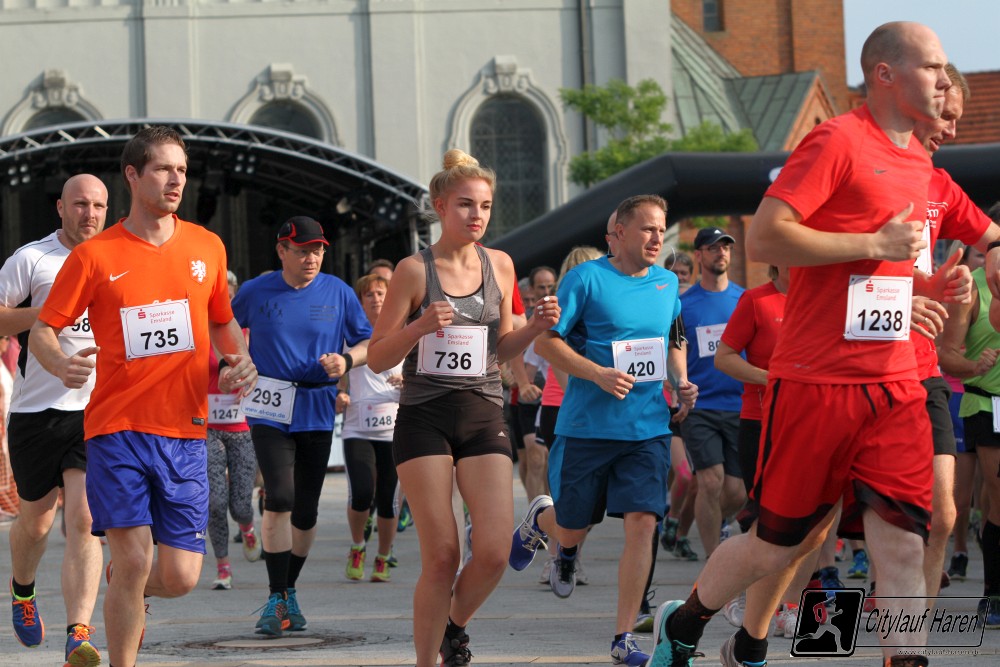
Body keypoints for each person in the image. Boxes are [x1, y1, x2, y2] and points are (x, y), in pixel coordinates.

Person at [648, 22, 957, 667]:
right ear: (886, 74)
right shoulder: (837, 139)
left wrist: (923, 293)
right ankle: (686, 620)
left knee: (905, 544)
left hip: (898, 383)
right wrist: (873, 243)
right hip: (818, 383)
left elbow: (883, 274)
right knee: (779, 544)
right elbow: (765, 237)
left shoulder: (920, 162)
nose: (943, 79)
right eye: (932, 66)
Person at [29, 126, 257, 667]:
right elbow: (43, 329)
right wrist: (60, 363)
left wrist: (239, 359)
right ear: (132, 175)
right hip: (117, 429)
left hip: (185, 430)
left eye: (182, 170)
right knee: (134, 560)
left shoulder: (207, 246)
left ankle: (125, 588)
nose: (176, 180)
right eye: (163, 169)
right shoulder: (95, 255)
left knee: (179, 576)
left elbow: (222, 321)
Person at [367, 149, 559, 667]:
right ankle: (426, 661)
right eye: (466, 204)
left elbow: (502, 347)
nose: (477, 215)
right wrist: (418, 326)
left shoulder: (501, 265)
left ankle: (452, 626)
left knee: (494, 551)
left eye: (486, 206)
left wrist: (535, 327)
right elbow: (377, 356)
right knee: (443, 556)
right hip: (425, 418)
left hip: (482, 412)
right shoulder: (413, 270)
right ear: (440, 206)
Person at [509, 194, 696, 667]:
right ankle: (542, 521)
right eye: (648, 229)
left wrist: (680, 380)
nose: (657, 238)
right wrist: (598, 374)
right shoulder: (585, 279)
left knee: (644, 523)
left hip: (647, 427)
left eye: (662, 230)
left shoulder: (666, 283)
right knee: (572, 527)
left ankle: (623, 636)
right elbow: (546, 343)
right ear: (620, 232)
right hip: (588, 428)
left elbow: (673, 339)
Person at [231, 215, 371, 637]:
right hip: (268, 406)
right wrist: (233, 361)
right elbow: (220, 326)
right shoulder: (255, 291)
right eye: (303, 250)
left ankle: (289, 590)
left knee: (306, 510)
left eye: (318, 251)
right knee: (281, 494)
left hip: (316, 404)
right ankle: (275, 596)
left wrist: (347, 360)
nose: (312, 258)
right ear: (282, 251)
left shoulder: (339, 292)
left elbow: (369, 342)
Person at [0, 174, 108, 665]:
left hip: (94, 410)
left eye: (99, 206)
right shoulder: (33, 259)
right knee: (36, 522)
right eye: (80, 204)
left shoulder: (116, 257)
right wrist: (46, 314)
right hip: (35, 412)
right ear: (61, 208)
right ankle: (22, 590)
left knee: (84, 520)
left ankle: (78, 633)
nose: (90, 214)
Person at [937, 201, 1000, 627]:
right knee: (994, 497)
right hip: (987, 403)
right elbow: (946, 355)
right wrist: (974, 366)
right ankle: (993, 592)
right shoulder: (971, 287)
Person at [679, 226, 746, 560]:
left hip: (740, 404)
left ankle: (716, 521)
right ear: (699, 255)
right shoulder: (683, 304)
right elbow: (674, 351)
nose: (721, 253)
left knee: (737, 491)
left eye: (726, 247)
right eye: (713, 247)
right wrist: (677, 385)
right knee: (710, 481)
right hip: (700, 406)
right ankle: (713, 560)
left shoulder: (744, 300)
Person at [337, 273, 402, 583]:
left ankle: (383, 555)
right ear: (360, 302)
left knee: (388, 498)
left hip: (393, 429)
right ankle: (358, 546)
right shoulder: (349, 336)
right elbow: (339, 373)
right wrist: (339, 394)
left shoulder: (404, 332)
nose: (376, 299)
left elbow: (420, 371)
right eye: (369, 295)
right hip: (357, 428)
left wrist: (407, 380)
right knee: (362, 493)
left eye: (381, 293)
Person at [206, 270, 262, 591]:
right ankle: (223, 567)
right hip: (207, 427)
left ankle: (248, 525)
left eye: (227, 296)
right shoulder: (196, 332)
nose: (221, 302)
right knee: (215, 502)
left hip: (242, 427)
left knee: (240, 503)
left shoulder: (246, 333)